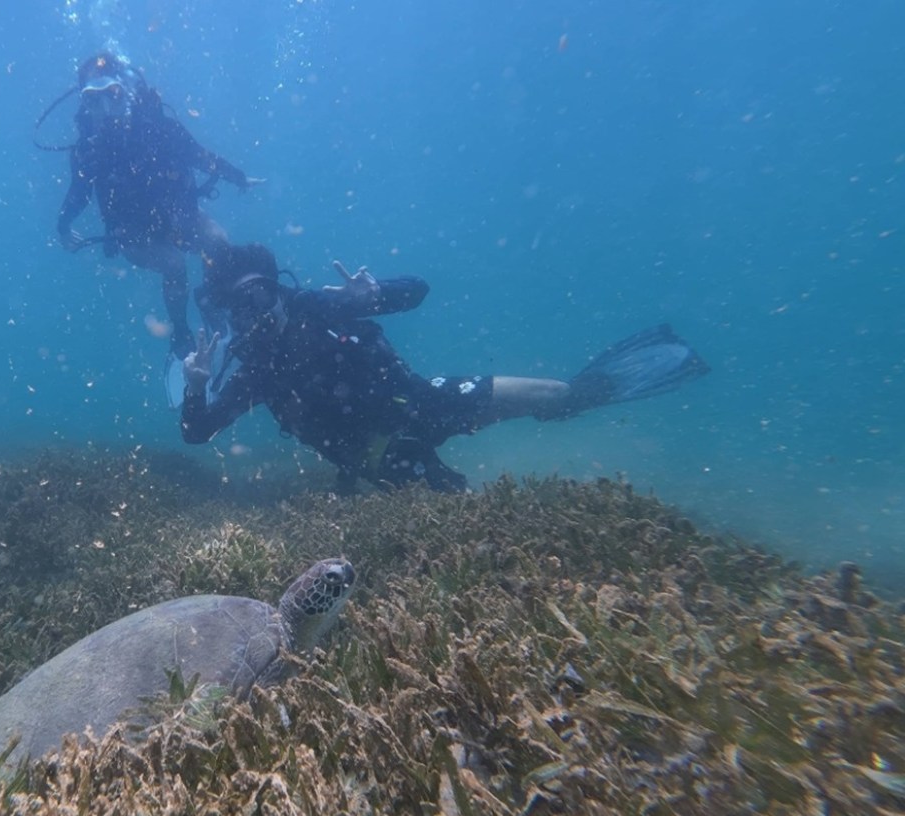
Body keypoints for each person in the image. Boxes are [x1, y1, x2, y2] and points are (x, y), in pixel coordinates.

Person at [180, 243, 710, 493]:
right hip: (376, 453)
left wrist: (375, 293)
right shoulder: (256, 372)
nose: (257, 315)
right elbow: (197, 433)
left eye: (262, 296)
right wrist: (196, 387)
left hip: (422, 400)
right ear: (230, 316)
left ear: (279, 290)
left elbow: (418, 291)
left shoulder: (319, 304)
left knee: (555, 393)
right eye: (240, 308)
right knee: (457, 506)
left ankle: (623, 376)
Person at [55, 52, 254, 358]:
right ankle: (181, 334)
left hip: (179, 217)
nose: (106, 109)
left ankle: (212, 302)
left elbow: (200, 156)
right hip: (134, 235)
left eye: (113, 95)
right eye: (94, 101)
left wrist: (237, 176)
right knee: (174, 265)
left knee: (218, 241)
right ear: (85, 105)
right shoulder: (88, 150)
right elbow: (78, 193)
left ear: (127, 91)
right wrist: (63, 225)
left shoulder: (160, 128)